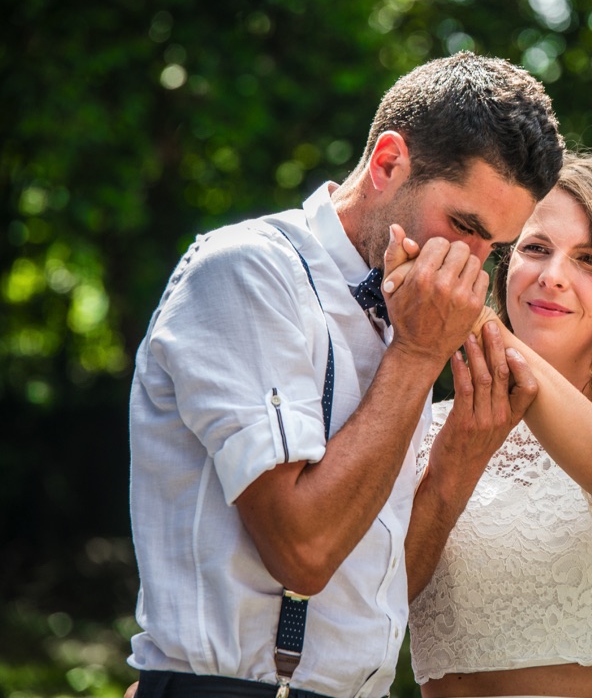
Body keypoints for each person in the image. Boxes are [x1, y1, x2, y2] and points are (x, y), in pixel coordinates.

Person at [126, 51, 563, 698]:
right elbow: (302, 553)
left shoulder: (407, 312)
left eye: (492, 248)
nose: (472, 271)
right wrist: (416, 359)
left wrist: (457, 461)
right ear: (388, 163)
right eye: (463, 226)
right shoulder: (247, 271)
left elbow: (375, 595)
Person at [399, 154, 592, 698]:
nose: (552, 277)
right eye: (536, 248)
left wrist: (470, 315)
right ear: (504, 264)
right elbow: (368, 597)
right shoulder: (419, 433)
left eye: (589, 260)